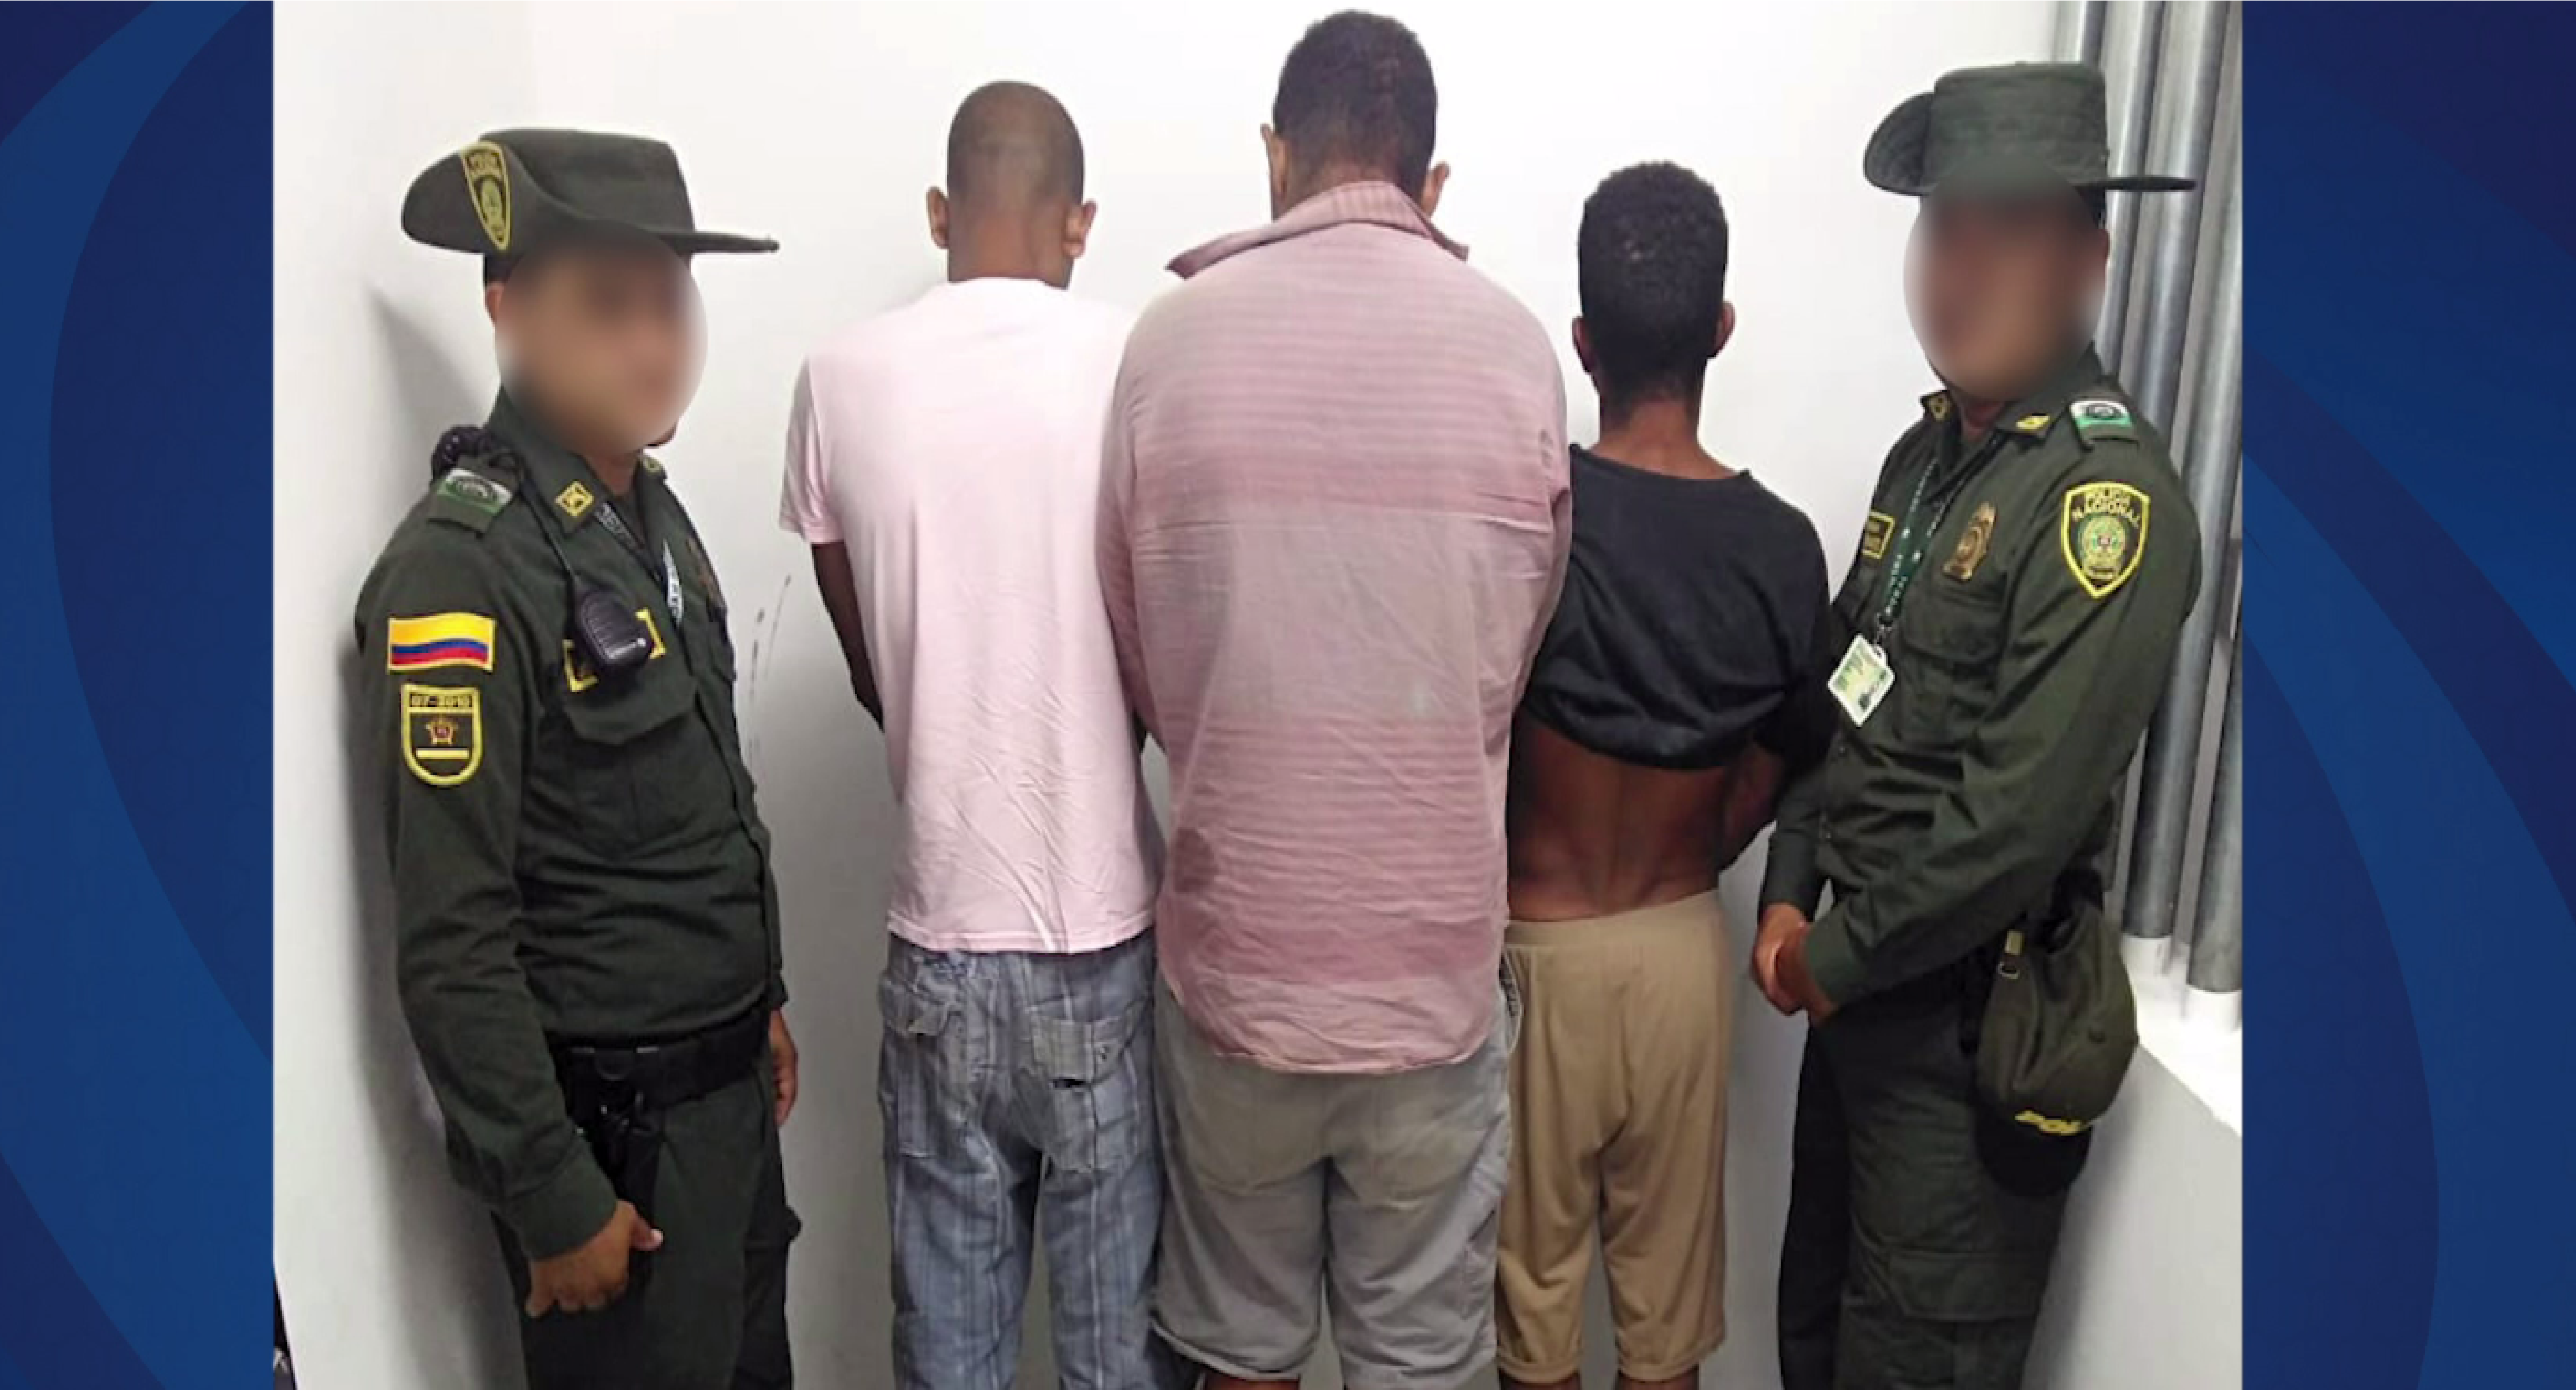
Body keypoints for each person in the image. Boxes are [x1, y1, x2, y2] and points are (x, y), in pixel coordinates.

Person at [1097, 12, 1571, 1388]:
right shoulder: (1516, 353)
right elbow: (1511, 648)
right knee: (1418, 1359)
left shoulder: (1165, 348)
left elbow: (1141, 660)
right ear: (1432, 183)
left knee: (1240, 1350)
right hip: (1430, 982)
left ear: (1274, 155)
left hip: (1238, 966)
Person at [1755, 64, 2204, 1390]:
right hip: (1850, 1004)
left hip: (1961, 1044)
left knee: (1913, 1361)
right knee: (1811, 1335)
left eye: (2005, 230)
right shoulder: (1925, 466)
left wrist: (1830, 953)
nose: (1960, 269)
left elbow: (2015, 818)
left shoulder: (2103, 506)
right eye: (1941, 227)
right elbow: (1842, 690)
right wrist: (1786, 887)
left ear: (2086, 261)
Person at [356, 128, 797, 1390]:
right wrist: (551, 1193)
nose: (652, 344)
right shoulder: (462, 568)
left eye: (670, 302)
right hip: (616, 1152)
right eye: (608, 307)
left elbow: (692, 799)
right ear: (506, 308)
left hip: (720, 1112)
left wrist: (758, 997)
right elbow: (451, 933)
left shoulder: (645, 513)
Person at [778, 82, 1173, 1390]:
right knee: (1119, 1357)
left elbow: (871, 665)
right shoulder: (1138, 361)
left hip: (938, 939)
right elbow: (1162, 644)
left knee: (948, 1359)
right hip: (1099, 933)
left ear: (940, 212)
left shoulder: (837, 378)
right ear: (1079, 223)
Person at [1497, 162, 1832, 1390]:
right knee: (1665, 1319)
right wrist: (1698, 840)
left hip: (1535, 951)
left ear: (1582, 343)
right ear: (1721, 330)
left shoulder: (1535, 520)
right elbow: (1787, 759)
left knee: (1529, 1314)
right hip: (1682, 950)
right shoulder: (1783, 549)